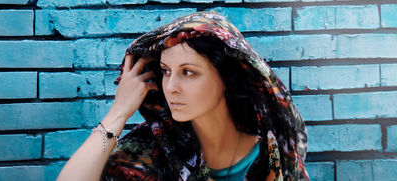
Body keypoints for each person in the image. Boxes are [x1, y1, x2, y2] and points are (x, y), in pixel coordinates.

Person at [57, 11, 310, 181]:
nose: (171, 87)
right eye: (166, 72)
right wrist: (118, 112)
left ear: (226, 78)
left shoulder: (273, 155)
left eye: (188, 72)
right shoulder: (150, 152)